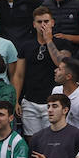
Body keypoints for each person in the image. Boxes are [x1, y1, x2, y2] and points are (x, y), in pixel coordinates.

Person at [19, 7, 63, 138]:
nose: (43, 25)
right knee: (32, 141)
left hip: (53, 102)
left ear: (53, 23)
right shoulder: (26, 45)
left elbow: (60, 63)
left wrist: (48, 40)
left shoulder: (61, 42)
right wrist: (16, 100)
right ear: (34, 24)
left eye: (46, 21)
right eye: (39, 22)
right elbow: (19, 74)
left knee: (52, 139)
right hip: (30, 101)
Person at [29, 94, 79, 158]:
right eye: (48, 106)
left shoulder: (78, 135)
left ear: (65, 110)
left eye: (55, 106)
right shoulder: (37, 136)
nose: (50, 110)